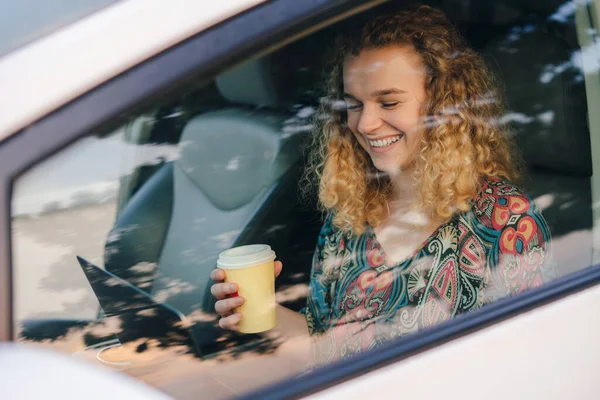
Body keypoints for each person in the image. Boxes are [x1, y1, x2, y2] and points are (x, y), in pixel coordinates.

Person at [209, 5, 552, 367]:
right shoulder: (349, 217)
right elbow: (326, 348)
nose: (366, 123)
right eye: (354, 104)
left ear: (443, 104)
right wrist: (262, 311)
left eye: (388, 101)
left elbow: (526, 365)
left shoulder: (506, 224)